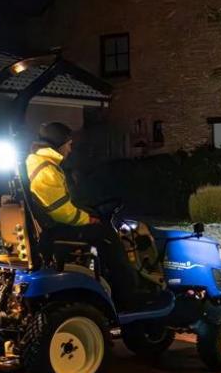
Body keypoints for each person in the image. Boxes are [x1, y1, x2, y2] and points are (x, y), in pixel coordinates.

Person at [25, 122, 146, 311]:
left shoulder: (40, 163)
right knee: (107, 236)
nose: (71, 149)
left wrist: (88, 211)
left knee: (99, 225)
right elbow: (61, 211)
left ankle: (112, 283)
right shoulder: (47, 170)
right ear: (59, 144)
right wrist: (87, 219)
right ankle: (128, 295)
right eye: (69, 144)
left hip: (50, 227)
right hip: (56, 229)